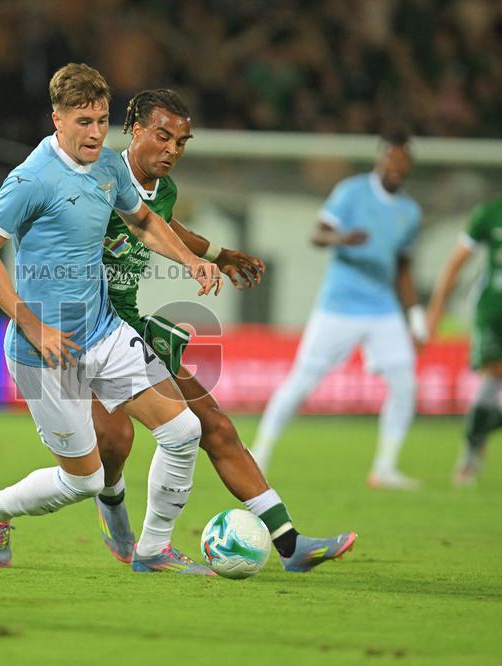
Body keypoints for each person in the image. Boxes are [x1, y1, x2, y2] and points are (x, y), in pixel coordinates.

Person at [0, 63, 221, 575]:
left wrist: (190, 259)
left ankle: (153, 549)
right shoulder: (32, 179)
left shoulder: (108, 168)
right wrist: (34, 325)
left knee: (183, 430)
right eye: (84, 121)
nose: (96, 133)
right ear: (57, 119)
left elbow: (142, 220)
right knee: (84, 480)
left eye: (102, 120)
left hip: (103, 332)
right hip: (42, 351)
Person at [92, 88, 356, 572]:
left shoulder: (163, 191)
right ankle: (110, 500)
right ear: (135, 129)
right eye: (162, 137)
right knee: (115, 443)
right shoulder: (98, 176)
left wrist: (218, 254)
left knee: (214, 425)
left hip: (130, 324)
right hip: (89, 329)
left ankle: (290, 544)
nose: (172, 150)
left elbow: (161, 224)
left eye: (181, 142)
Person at [250, 131, 427, 490]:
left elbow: (403, 266)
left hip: (383, 307)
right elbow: (317, 234)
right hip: (340, 305)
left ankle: (385, 467)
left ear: (409, 166)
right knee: (302, 380)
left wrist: (415, 313)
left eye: (403, 162)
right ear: (380, 159)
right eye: (391, 159)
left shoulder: (410, 212)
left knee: (405, 382)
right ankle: (258, 454)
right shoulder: (352, 192)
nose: (396, 167)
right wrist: (341, 239)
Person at [427, 137, 502, 485]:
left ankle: (475, 434)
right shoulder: (490, 214)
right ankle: (470, 454)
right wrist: (436, 310)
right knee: (494, 373)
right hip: (492, 313)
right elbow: (455, 264)